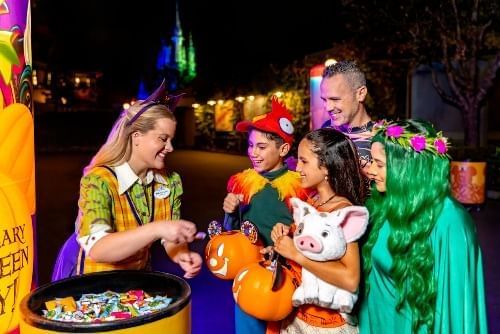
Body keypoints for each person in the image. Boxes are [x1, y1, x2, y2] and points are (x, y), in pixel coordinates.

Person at [53, 81, 202, 279]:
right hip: (94, 289)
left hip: (138, 284)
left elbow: (170, 237)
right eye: (163, 138)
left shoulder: (170, 182)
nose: (170, 148)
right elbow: (98, 249)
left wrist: (181, 254)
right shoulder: (99, 181)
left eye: (171, 140)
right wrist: (157, 228)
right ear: (136, 136)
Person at [360, 119, 488, 333]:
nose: (370, 171)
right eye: (371, 161)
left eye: (379, 164)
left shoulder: (450, 221)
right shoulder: (383, 205)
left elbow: (456, 310)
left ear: (408, 167)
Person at [223, 96, 307, 334]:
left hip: (286, 275)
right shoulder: (242, 183)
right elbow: (233, 231)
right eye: (250, 145)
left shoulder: (298, 187)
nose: (253, 153)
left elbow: (306, 230)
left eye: (261, 147)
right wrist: (229, 212)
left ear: (283, 149)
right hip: (249, 273)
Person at [269, 128, 367, 333]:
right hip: (297, 317)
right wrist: (283, 241)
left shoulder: (342, 211)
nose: (297, 168)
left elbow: (351, 279)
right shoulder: (311, 200)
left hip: (326, 326)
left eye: (304, 161)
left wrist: (296, 253)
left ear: (327, 167)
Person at [320, 60, 374, 174]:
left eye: (335, 99)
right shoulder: (325, 131)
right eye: (324, 100)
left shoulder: (382, 139)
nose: (328, 107)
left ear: (360, 94)